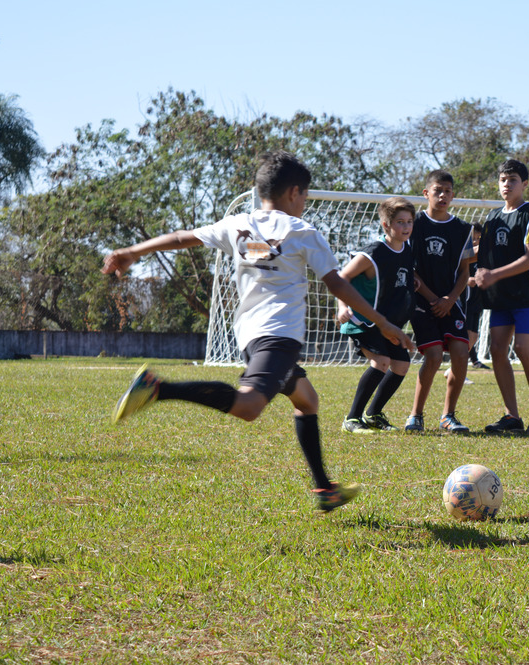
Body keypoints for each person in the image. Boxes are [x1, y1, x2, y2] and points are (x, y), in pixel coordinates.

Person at [102, 150, 414, 512]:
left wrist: (132, 251)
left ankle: (324, 489)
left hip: (250, 334)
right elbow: (337, 285)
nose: (306, 204)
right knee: (249, 406)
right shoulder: (302, 231)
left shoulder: (238, 224)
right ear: (295, 193)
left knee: (307, 400)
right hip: (278, 335)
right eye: (306, 197)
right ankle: (158, 388)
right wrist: (384, 323)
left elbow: (180, 237)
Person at [474, 159, 529, 434]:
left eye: (512, 180)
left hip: (527, 294)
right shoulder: (493, 218)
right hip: (502, 297)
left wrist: (494, 275)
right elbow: (483, 258)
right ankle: (512, 416)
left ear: (524, 184)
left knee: (524, 348)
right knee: (497, 350)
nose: (506, 185)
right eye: (502, 180)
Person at [335, 197, 416, 433]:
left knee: (401, 365)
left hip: (387, 324)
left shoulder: (407, 249)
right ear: (386, 225)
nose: (406, 227)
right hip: (363, 320)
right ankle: (351, 418)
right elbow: (341, 279)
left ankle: (373, 414)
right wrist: (342, 307)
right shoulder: (373, 253)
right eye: (400, 222)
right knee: (381, 362)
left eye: (409, 221)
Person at [405, 170, 477, 434]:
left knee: (461, 352)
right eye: (438, 190)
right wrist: (432, 297)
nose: (443, 195)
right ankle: (416, 415)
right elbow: (408, 268)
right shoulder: (414, 224)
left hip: (450, 302)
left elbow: (464, 271)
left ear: (453, 195)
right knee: (433, 356)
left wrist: (450, 298)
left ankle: (448, 415)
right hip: (422, 301)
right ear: (426, 193)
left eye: (448, 191)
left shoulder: (462, 229)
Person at [464, 223, 489, 370]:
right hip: (465, 299)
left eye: (479, 238)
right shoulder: (464, 257)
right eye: (472, 238)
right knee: (465, 336)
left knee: (473, 336)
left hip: (477, 300)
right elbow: (454, 274)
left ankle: (461, 366)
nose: (475, 241)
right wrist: (468, 281)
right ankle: (457, 368)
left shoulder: (483, 258)